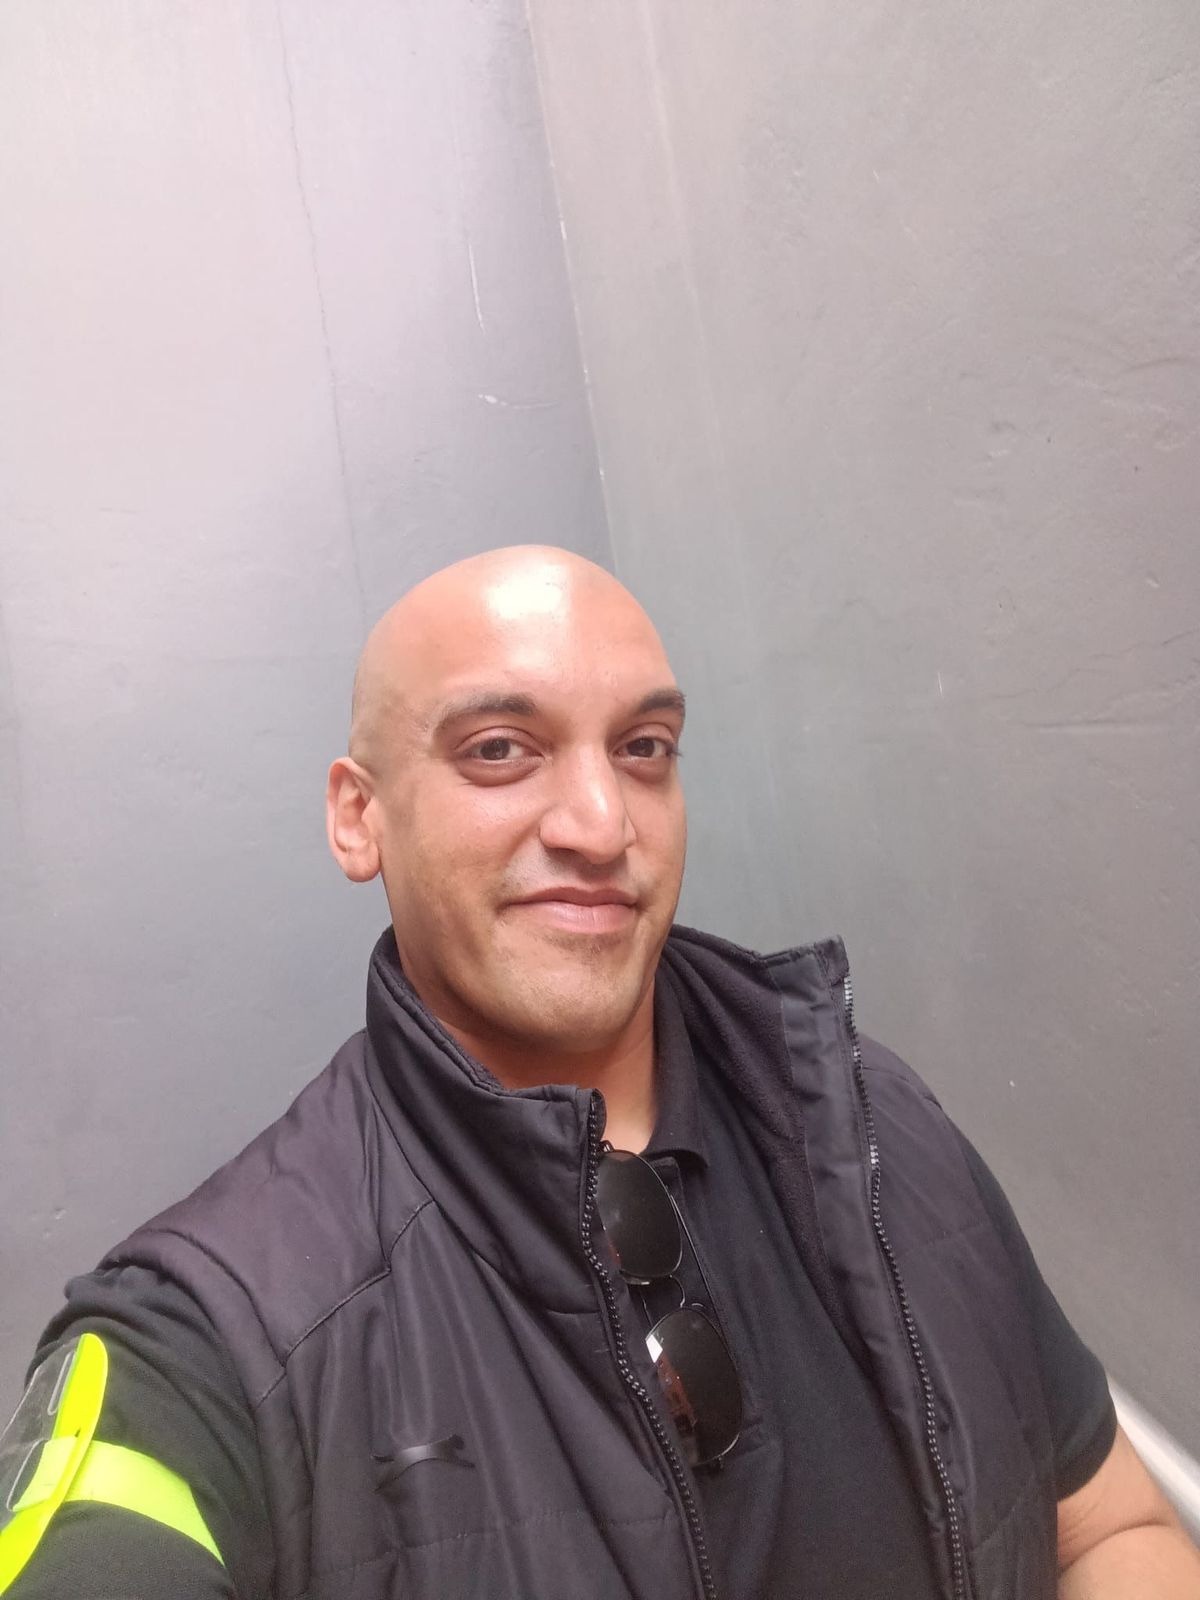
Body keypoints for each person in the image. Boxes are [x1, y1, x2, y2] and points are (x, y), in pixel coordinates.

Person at [2, 546, 1197, 1600]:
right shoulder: (209, 1340)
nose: (600, 821)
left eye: (644, 749)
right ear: (360, 817)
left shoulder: (875, 1126)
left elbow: (1113, 1525)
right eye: (500, 749)